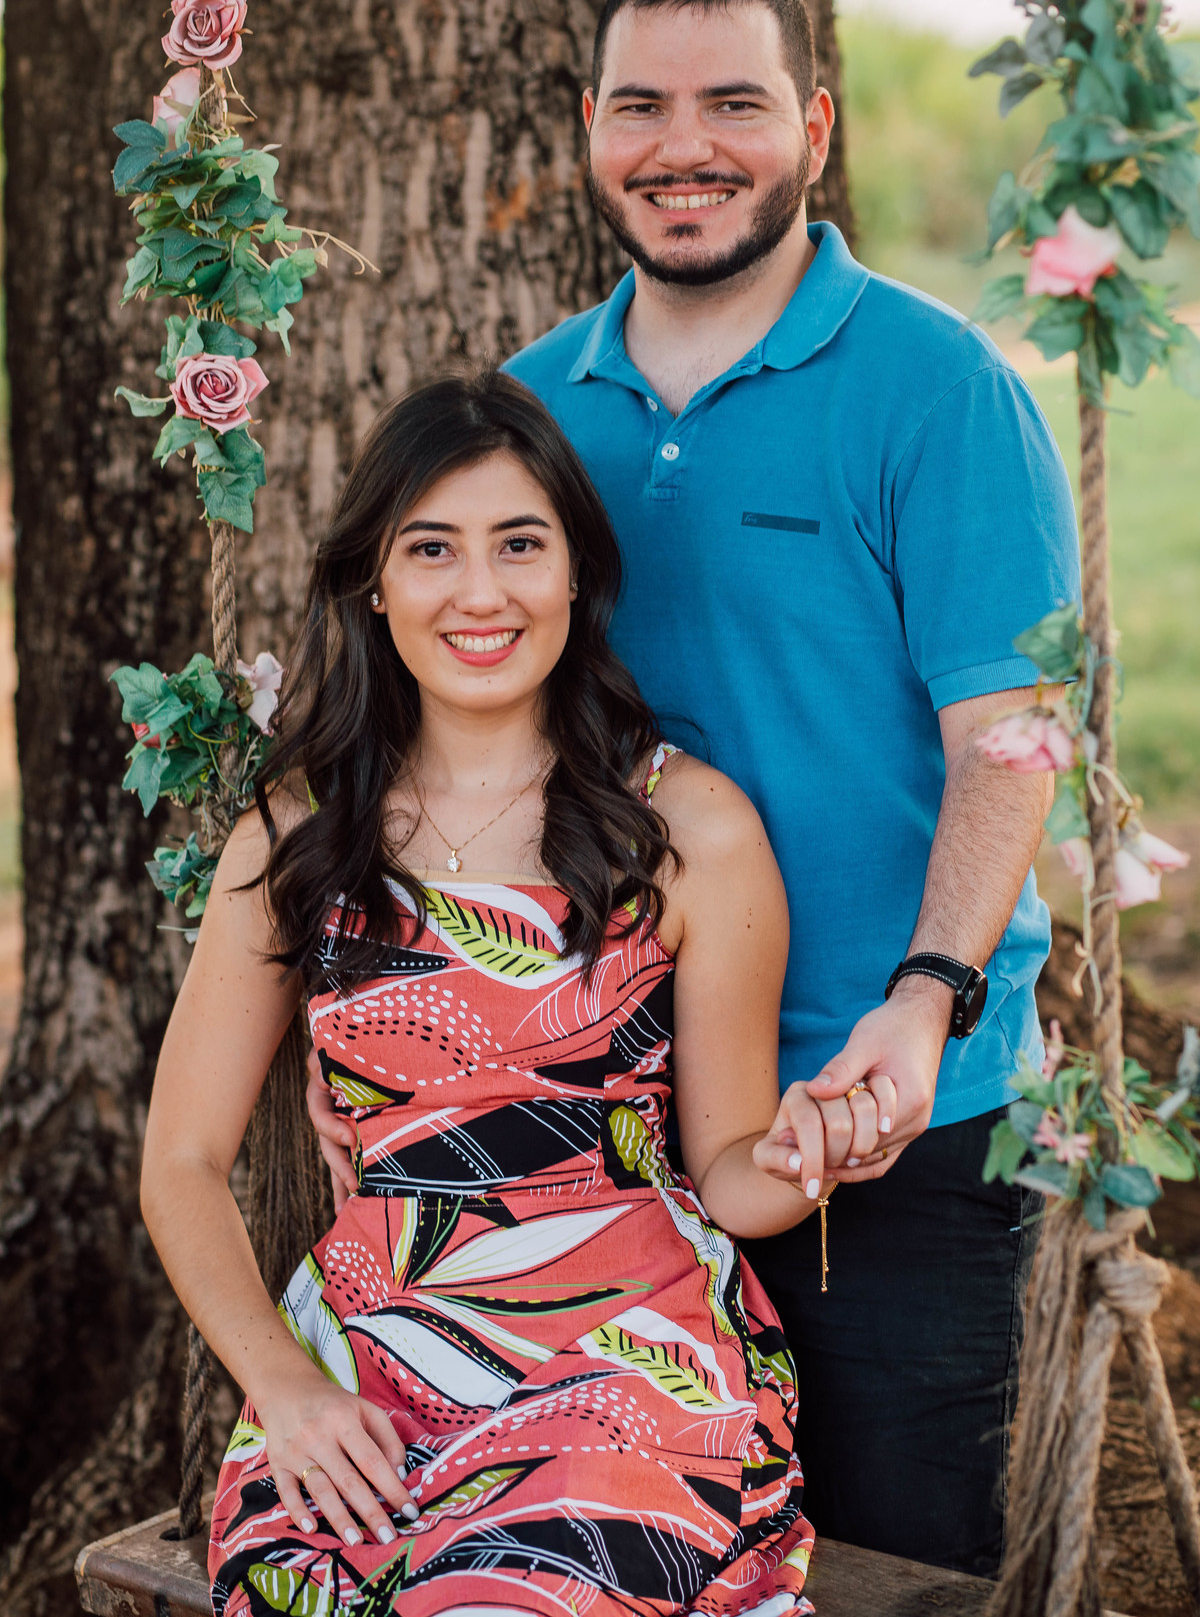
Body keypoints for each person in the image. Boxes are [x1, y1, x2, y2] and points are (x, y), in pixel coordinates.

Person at [302, 0, 1082, 1577]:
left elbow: (1011, 734)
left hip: (892, 1115)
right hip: (609, 1142)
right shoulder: (529, 415)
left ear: (809, 125)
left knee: (901, 1564)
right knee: (614, 1562)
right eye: (641, 105)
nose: (685, 145)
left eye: (734, 102)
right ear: (590, 128)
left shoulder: (938, 392)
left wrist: (927, 998)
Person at [142, 370, 886, 1617]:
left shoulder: (685, 827)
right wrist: (286, 1387)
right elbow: (181, 1157)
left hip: (626, 1355)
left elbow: (732, 1171)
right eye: (432, 549)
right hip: (371, 1360)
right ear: (375, 583)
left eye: (519, 545)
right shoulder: (301, 833)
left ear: (577, 575)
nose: (479, 593)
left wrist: (821, 1150)